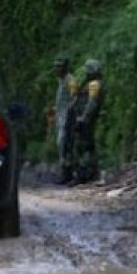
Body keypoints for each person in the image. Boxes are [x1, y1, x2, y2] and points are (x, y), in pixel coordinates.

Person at [69, 58, 105, 185]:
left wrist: (83, 119)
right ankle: (90, 172)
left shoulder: (94, 84)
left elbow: (91, 104)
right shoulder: (91, 83)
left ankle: (84, 174)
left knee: (83, 146)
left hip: (86, 120)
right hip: (84, 118)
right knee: (86, 146)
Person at [53, 54, 79, 185]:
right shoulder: (61, 81)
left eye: (59, 67)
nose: (57, 69)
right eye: (56, 66)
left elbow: (74, 97)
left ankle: (68, 173)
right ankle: (64, 172)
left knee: (64, 143)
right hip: (60, 117)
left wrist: (69, 111)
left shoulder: (71, 80)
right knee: (61, 145)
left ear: (65, 67)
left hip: (67, 118)